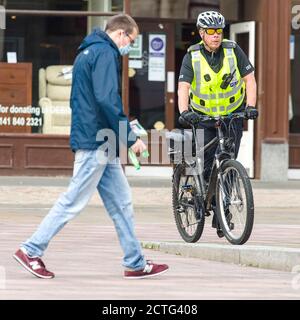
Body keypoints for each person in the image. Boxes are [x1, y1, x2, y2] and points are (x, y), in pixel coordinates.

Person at [13, 14, 169, 279]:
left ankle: (134, 262)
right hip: (96, 142)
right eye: (130, 41)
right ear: (120, 34)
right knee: (73, 200)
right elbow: (107, 99)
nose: (128, 47)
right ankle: (31, 249)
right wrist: (130, 139)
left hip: (100, 140)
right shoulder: (104, 54)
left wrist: (122, 129)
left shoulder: (87, 52)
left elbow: (93, 101)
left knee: (122, 203)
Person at [178, 11, 258, 237]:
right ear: (202, 33)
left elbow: (249, 80)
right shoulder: (192, 56)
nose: (215, 35)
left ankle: (223, 212)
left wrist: (250, 106)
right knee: (204, 165)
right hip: (203, 117)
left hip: (231, 115)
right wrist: (184, 111)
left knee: (229, 161)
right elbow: (184, 86)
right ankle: (199, 196)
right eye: (211, 31)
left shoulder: (233, 51)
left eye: (219, 31)